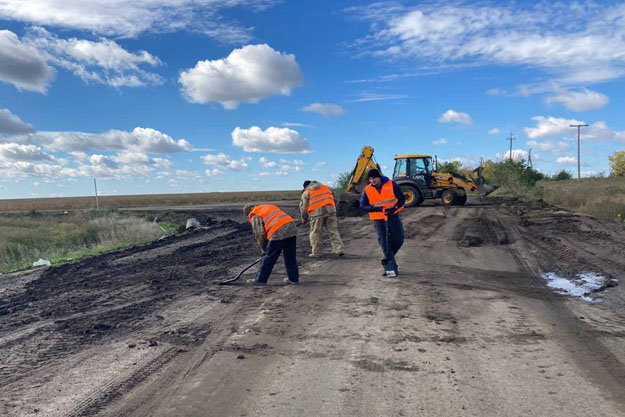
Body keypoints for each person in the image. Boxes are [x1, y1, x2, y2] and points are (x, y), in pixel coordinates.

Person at [359, 168, 405, 277]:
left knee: (399, 238)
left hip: (392, 216)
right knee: (384, 241)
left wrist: (394, 209)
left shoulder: (391, 184)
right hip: (378, 219)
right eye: (370, 179)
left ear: (379, 177)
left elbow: (401, 199)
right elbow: (362, 205)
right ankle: (390, 267)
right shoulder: (367, 189)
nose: (372, 180)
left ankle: (389, 257)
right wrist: (376, 209)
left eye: (374, 178)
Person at [243, 204, 299, 285]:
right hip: (291, 228)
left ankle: (260, 280)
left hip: (278, 231)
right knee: (290, 256)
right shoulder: (266, 207)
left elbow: (260, 234)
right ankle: (293, 278)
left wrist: (264, 249)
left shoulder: (255, 215)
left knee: (269, 257)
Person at [300, 180, 345, 258]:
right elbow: (337, 197)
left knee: (316, 233)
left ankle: (317, 252)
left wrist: (304, 218)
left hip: (316, 214)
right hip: (331, 211)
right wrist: (333, 207)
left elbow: (304, 207)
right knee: (333, 231)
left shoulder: (307, 192)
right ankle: (339, 250)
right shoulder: (327, 188)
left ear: (306, 187)